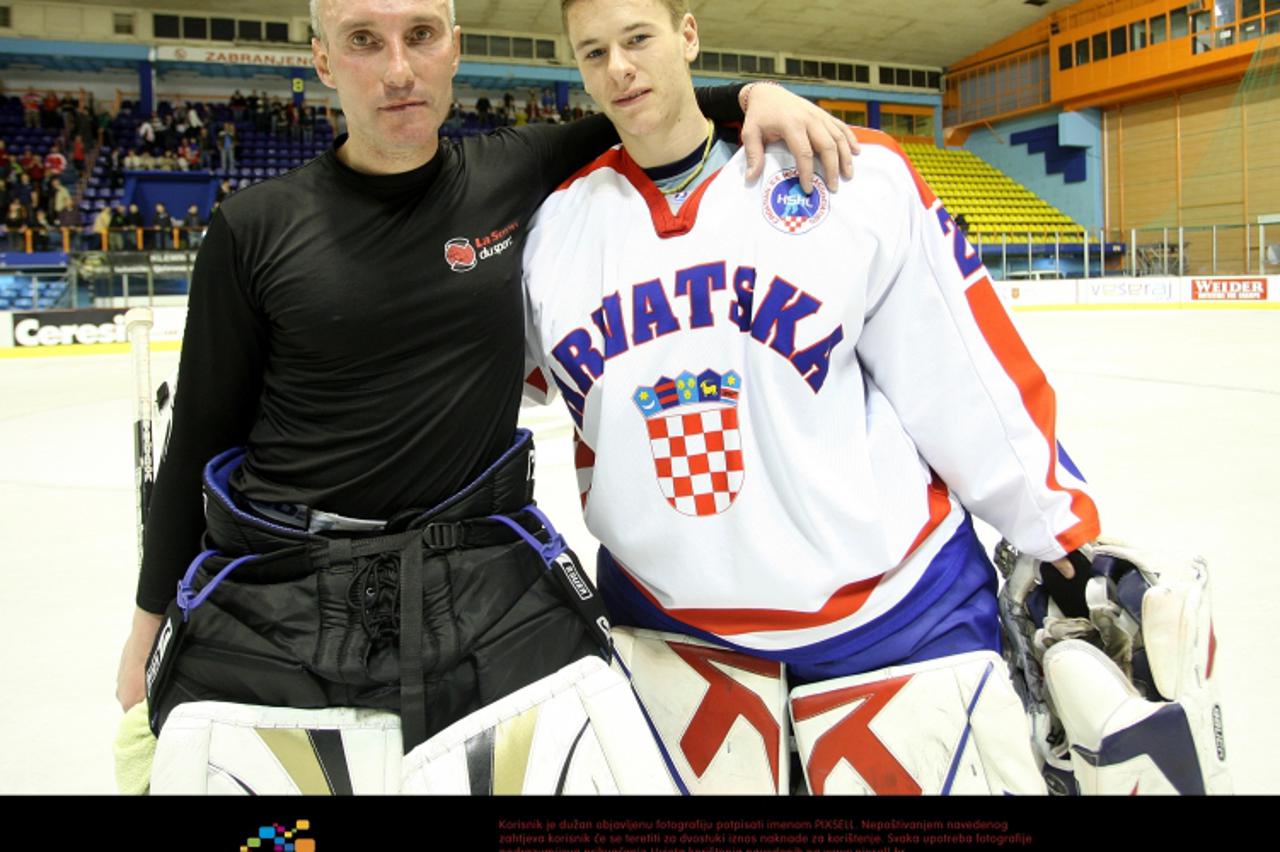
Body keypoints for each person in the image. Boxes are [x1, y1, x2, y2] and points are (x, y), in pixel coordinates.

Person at [114, 0, 858, 760]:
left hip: (477, 579)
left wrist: (754, 96)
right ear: (325, 62)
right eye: (365, 42)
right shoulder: (253, 227)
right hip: (287, 588)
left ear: (455, 49)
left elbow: (644, 106)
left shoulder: (509, 171)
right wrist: (149, 623)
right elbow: (202, 437)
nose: (399, 70)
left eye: (421, 37)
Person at [522, 0, 1114, 795]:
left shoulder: (846, 174)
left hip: (896, 616)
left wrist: (1058, 533)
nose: (619, 68)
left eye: (638, 39)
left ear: (688, 34)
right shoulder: (554, 233)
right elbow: (474, 394)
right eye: (593, 53)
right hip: (673, 637)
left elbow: (961, 377)